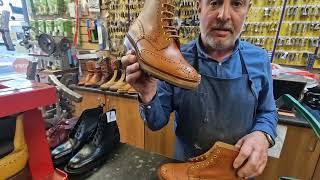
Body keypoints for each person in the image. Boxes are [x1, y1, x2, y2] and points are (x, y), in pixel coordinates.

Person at [121, 0, 278, 178]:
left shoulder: (259, 59)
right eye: (214, 3)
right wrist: (147, 92)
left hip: (237, 171)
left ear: (247, 10)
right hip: (187, 171)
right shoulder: (173, 62)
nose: (223, 15)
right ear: (199, 8)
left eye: (236, 4)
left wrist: (262, 135)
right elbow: (156, 122)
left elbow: (268, 111)